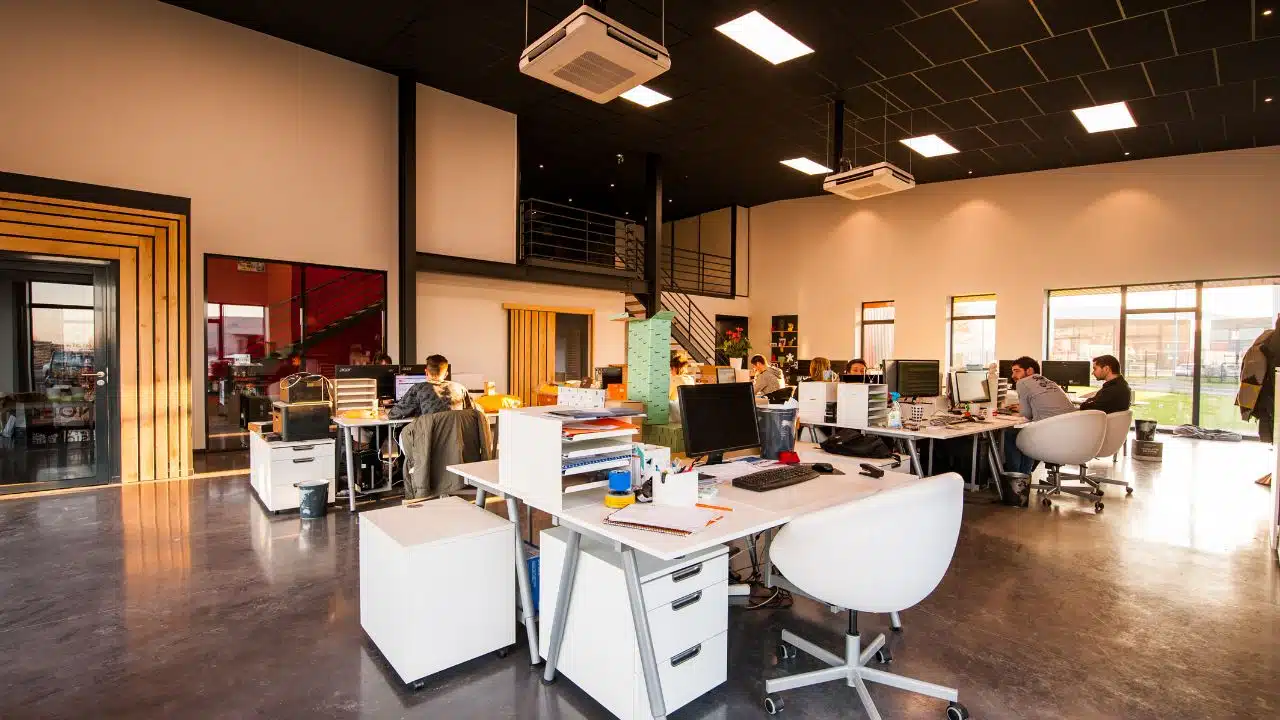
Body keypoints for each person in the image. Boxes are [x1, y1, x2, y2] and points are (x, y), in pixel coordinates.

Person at [1004, 356, 1075, 474]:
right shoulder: (1050, 382)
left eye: (1017, 371)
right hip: (1069, 435)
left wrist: (1016, 412)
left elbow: (1026, 415)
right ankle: (1025, 475)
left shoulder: (1022, 382)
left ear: (1029, 370)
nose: (1013, 376)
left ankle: (1015, 476)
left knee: (1010, 433)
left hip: (1047, 434)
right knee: (1026, 433)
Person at [388, 354, 474, 419]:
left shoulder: (418, 388)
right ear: (446, 374)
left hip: (428, 436)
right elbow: (473, 413)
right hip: (455, 436)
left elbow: (393, 414)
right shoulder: (460, 388)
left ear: (426, 372)